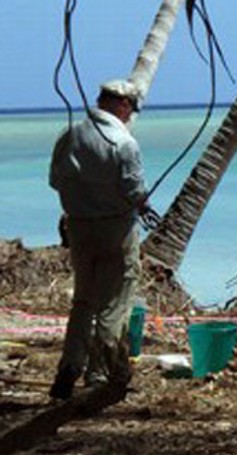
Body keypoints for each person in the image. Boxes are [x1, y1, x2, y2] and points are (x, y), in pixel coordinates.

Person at [49, 79, 154, 399]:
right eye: (130, 109)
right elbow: (134, 190)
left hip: (79, 228)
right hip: (116, 230)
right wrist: (141, 203)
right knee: (114, 304)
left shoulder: (71, 135)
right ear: (122, 105)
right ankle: (111, 372)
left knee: (83, 301)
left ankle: (69, 369)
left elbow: (55, 181)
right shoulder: (124, 143)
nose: (129, 115)